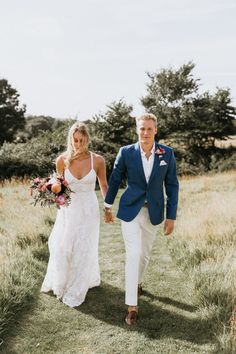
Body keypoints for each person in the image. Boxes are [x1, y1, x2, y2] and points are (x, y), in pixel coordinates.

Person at [104, 113, 179, 325]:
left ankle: (136, 283)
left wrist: (171, 216)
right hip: (130, 210)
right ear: (136, 130)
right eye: (141, 129)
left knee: (144, 256)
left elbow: (172, 185)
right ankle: (132, 306)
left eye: (149, 129)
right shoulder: (126, 152)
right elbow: (116, 178)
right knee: (133, 254)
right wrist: (108, 205)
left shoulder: (167, 154)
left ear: (155, 130)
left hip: (153, 211)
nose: (145, 132)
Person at [41, 122, 109, 307]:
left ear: (87, 139)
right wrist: (52, 195)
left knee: (84, 247)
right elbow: (58, 187)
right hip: (68, 209)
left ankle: (79, 284)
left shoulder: (98, 160)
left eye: (81, 140)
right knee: (63, 246)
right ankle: (63, 280)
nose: (78, 144)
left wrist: (108, 207)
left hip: (89, 208)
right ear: (70, 139)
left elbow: (103, 185)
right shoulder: (61, 160)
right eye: (75, 140)